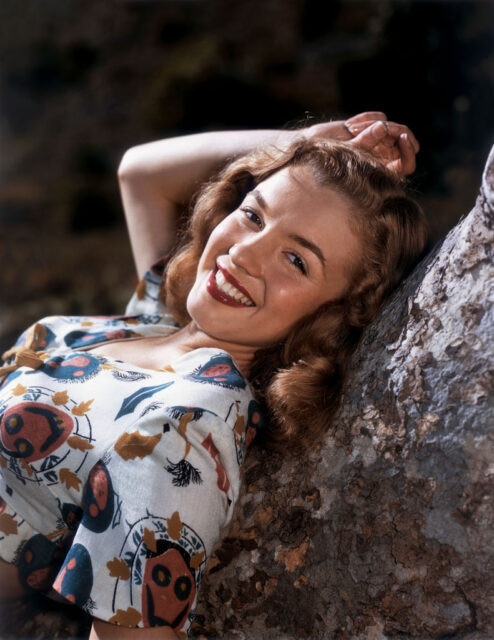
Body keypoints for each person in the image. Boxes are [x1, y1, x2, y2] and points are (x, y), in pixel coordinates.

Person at [0, 112, 427, 639]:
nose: (243, 254)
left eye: (296, 260)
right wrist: (302, 144)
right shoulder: (167, 312)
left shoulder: (185, 429)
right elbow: (140, 174)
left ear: (332, 315)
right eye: (253, 215)